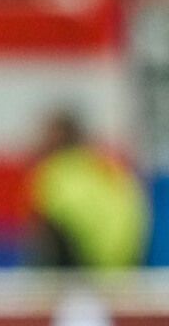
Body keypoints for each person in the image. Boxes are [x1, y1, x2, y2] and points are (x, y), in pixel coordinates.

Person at [26, 109, 150, 268]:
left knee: (45, 228)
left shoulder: (53, 172)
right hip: (126, 257)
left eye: (47, 134)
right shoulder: (103, 163)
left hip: (88, 261)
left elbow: (46, 223)